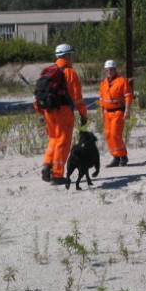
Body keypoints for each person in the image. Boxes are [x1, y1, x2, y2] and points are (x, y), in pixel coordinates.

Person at [37, 43, 88, 185]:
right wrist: (83, 114)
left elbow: (39, 94)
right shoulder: (69, 73)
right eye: (72, 55)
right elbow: (77, 98)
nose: (73, 58)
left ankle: (47, 165)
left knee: (53, 138)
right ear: (67, 56)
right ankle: (57, 175)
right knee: (63, 142)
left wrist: (41, 112)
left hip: (48, 111)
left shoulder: (48, 71)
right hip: (63, 111)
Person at [98, 59, 134, 167]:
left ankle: (123, 156)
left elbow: (128, 96)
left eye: (112, 69)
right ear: (105, 70)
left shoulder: (121, 81)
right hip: (107, 113)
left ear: (115, 69)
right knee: (109, 135)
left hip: (118, 111)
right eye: (108, 70)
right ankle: (115, 157)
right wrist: (101, 112)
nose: (110, 71)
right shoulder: (103, 83)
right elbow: (101, 99)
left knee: (115, 135)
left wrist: (127, 110)